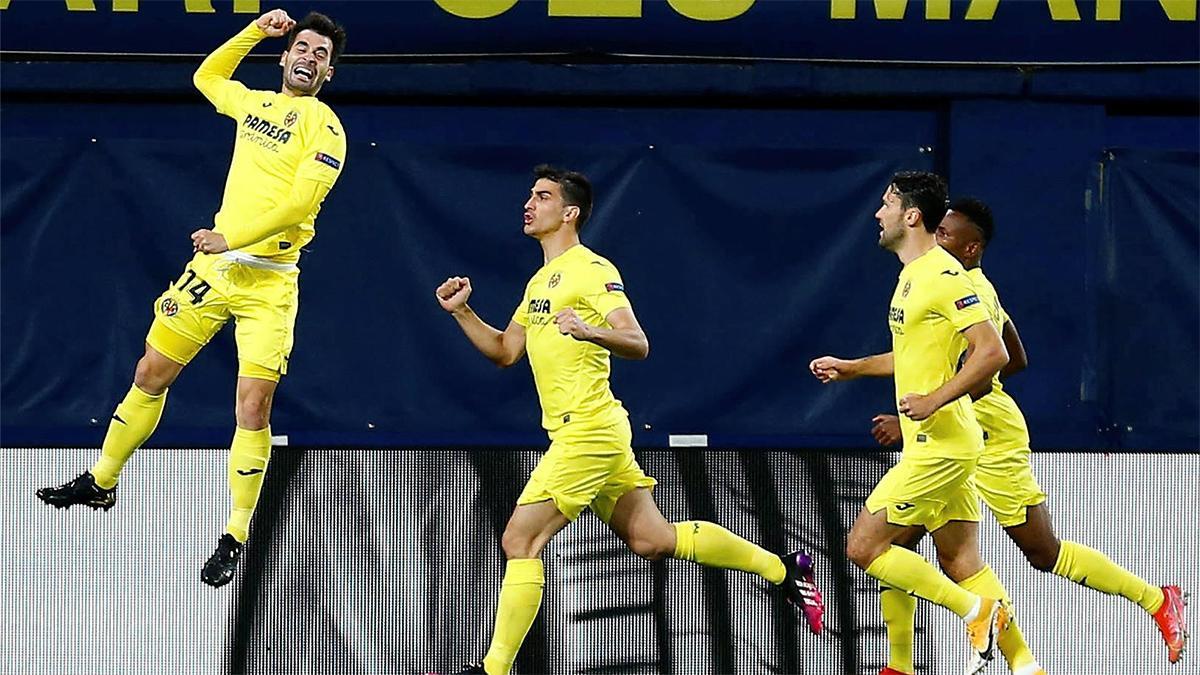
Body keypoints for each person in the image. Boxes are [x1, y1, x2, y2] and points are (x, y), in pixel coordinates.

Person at [435, 165, 824, 675]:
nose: (529, 204)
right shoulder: (539, 282)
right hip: (593, 433)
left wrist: (590, 330)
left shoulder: (593, 270)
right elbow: (506, 351)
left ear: (569, 212)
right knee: (652, 540)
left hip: (588, 432)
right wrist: (462, 312)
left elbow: (638, 342)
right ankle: (784, 569)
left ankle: (494, 670)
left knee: (519, 540)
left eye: (543, 196)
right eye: (530, 195)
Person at [36, 9, 348, 589]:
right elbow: (207, 78)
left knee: (253, 408)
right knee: (151, 371)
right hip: (215, 270)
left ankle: (235, 534)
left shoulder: (324, 125)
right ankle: (102, 479)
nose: (308, 57)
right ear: (285, 58)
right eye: (301, 48)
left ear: (329, 73)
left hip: (270, 281)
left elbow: (299, 206)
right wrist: (255, 30)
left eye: (320, 55)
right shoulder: (256, 105)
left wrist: (232, 236)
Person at [865, 198, 1188, 672]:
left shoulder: (965, 285)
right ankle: (929, 664)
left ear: (971, 248)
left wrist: (932, 406)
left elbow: (991, 359)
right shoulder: (954, 283)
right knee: (906, 545)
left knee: (1041, 551)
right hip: (955, 430)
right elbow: (1016, 355)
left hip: (987, 430)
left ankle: (1156, 599)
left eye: (947, 235)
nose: (936, 239)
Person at [809, 171, 1013, 675]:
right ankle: (1023, 666)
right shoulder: (911, 275)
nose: (878, 214)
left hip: (943, 444)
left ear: (911, 215)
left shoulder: (944, 276)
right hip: (936, 442)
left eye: (886, 204)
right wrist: (852, 367)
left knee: (864, 546)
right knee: (959, 559)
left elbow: (994, 353)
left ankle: (976, 612)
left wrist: (936, 399)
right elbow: (911, 352)